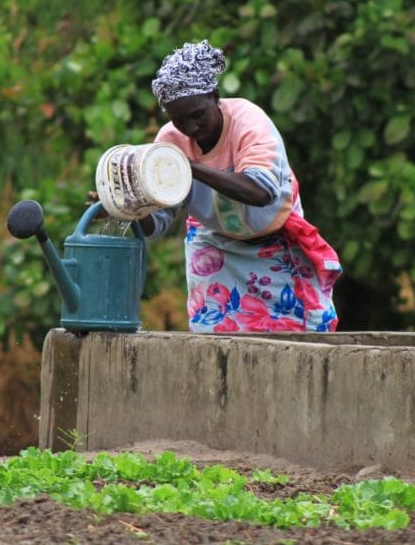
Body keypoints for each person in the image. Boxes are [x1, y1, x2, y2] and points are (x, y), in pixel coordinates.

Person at [132, 39, 341, 333]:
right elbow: (156, 224)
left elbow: (260, 192)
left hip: (274, 235)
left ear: (215, 96)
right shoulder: (170, 141)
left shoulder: (249, 122)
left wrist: (191, 168)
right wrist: (129, 206)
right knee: (213, 335)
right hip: (215, 243)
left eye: (198, 115)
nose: (190, 128)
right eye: (179, 120)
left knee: (298, 332)